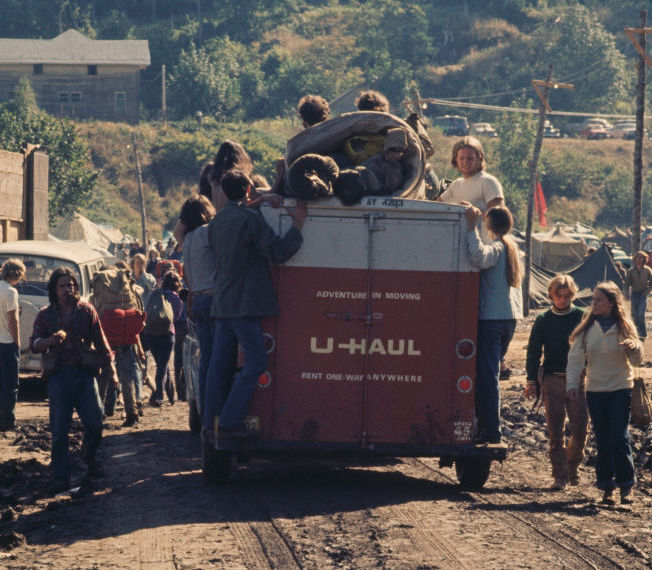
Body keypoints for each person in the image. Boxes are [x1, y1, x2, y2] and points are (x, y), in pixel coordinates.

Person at [204, 169, 307, 439]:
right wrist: (297, 225)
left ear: (225, 191)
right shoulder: (251, 219)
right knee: (257, 362)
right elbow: (277, 253)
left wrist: (257, 204)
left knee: (219, 366)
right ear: (249, 189)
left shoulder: (217, 221)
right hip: (245, 304)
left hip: (223, 304)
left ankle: (210, 421)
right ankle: (229, 421)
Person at [30, 267, 118, 493]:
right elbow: (34, 344)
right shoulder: (45, 315)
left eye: (71, 285)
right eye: (62, 286)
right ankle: (61, 478)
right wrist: (51, 339)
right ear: (54, 290)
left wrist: (112, 369)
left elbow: (101, 341)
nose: (67, 289)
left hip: (84, 374)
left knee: (95, 423)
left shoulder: (86, 311)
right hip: (59, 377)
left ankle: (87, 454)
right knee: (59, 431)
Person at [566, 282, 643, 505]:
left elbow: (638, 360)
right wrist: (571, 384)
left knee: (620, 437)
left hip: (621, 388)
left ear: (611, 303)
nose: (594, 304)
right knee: (603, 440)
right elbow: (575, 358)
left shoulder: (624, 326)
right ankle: (607, 487)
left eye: (599, 300)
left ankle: (626, 486)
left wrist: (634, 347)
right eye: (594, 300)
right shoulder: (587, 328)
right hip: (596, 390)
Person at [465, 204, 522, 444]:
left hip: (492, 318)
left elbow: (479, 257)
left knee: (488, 376)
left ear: (489, 224)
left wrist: (470, 228)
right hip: (509, 318)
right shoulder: (513, 247)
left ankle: (490, 430)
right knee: (491, 373)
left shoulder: (498, 247)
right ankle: (485, 423)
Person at [525, 275, 587, 489]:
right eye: (558, 296)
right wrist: (531, 380)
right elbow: (533, 351)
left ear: (573, 295)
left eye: (567, 295)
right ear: (551, 295)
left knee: (580, 430)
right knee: (555, 432)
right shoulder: (543, 319)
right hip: (552, 379)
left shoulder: (582, 317)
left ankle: (572, 467)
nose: (562, 300)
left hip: (578, 379)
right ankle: (559, 476)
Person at [180, 194, 217, 416]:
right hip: (213, 298)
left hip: (198, 300)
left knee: (205, 357)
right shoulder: (207, 233)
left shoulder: (188, 239)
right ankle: (214, 406)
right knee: (218, 357)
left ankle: (205, 407)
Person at [438, 137, 504, 242]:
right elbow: (436, 207)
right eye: (462, 158)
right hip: (461, 246)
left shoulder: (488, 182)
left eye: (470, 158)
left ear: (479, 159)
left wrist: (473, 211)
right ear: (456, 159)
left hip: (486, 247)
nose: (465, 162)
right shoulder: (456, 185)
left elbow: (499, 220)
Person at [141, 270, 183, 407]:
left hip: (152, 333)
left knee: (161, 364)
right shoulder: (176, 298)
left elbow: (146, 309)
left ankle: (170, 395)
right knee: (163, 365)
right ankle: (159, 394)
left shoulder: (154, 293)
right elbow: (176, 318)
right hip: (167, 333)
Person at [0, 259, 25, 431]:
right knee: (10, 383)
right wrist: (18, 342)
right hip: (7, 342)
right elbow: (13, 320)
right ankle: (8, 421)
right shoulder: (10, 292)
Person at [623, 250, 652, 339]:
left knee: (641, 314)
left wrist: (647, 291)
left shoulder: (647, 270)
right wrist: (626, 293)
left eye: (641, 257)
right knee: (634, 315)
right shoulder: (631, 271)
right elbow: (626, 283)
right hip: (634, 294)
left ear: (644, 259)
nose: (639, 259)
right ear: (634, 259)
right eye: (637, 258)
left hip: (643, 295)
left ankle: (643, 334)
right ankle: (636, 333)